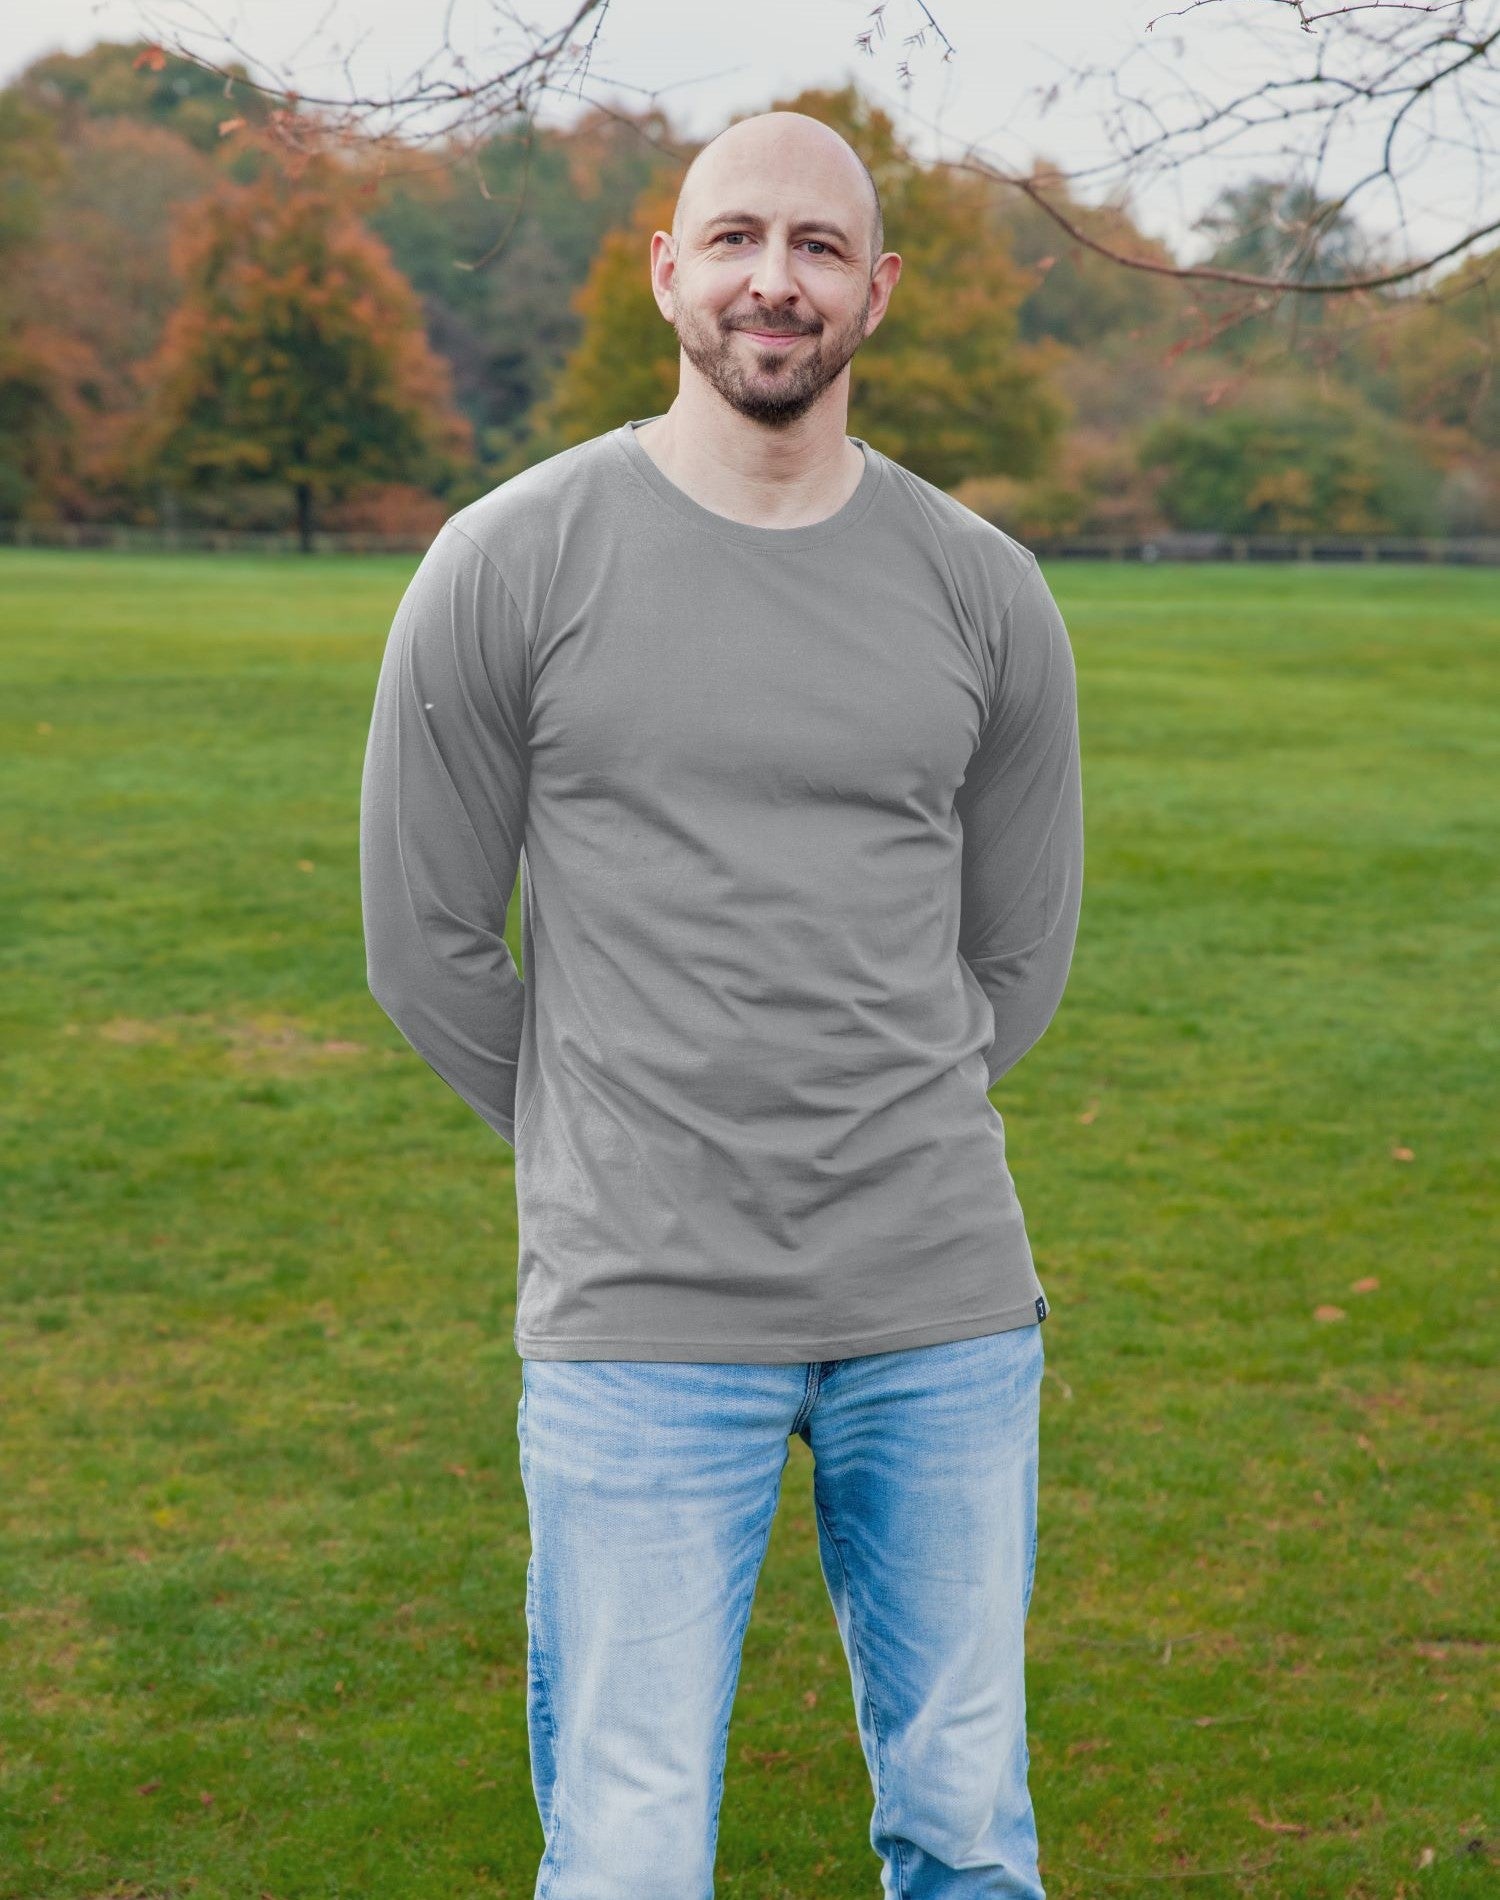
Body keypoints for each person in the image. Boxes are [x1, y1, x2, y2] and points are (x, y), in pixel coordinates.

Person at [360, 107, 1083, 1900]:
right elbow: (428, 943)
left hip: (941, 1310)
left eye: (822, 247)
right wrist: (624, 1135)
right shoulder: (508, 561)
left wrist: (864, 1120)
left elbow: (1016, 958)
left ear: (878, 291)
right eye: (741, 238)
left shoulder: (985, 592)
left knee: (970, 1836)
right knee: (624, 1856)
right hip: (638, 1324)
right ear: (669, 266)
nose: (779, 278)